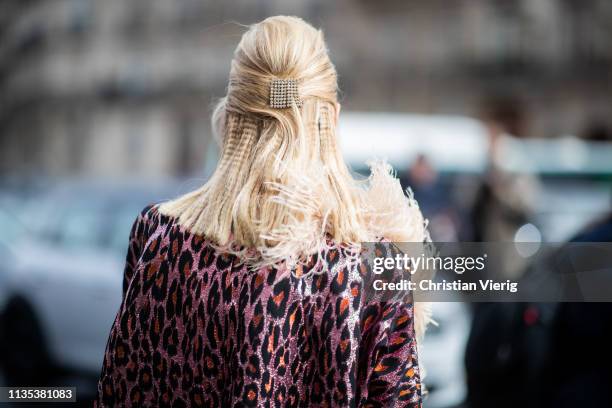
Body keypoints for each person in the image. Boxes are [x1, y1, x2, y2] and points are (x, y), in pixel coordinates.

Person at [96, 16, 430, 407]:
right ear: (331, 118)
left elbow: (121, 389)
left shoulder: (155, 235)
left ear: (230, 118)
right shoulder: (376, 268)